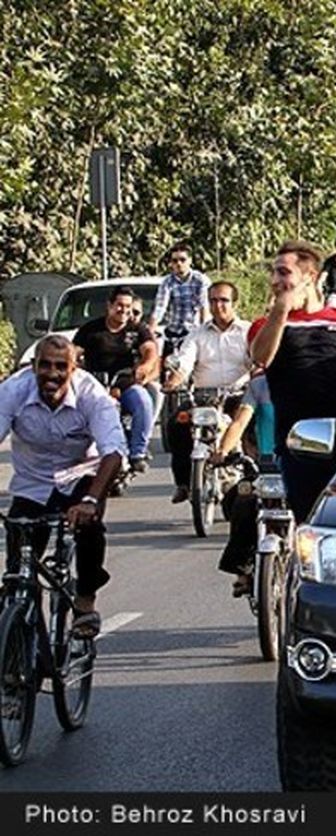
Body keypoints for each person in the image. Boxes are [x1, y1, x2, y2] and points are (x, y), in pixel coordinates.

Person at [249, 241, 336, 520]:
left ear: (309, 277)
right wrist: (281, 310)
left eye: (284, 273)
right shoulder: (266, 326)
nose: (276, 281)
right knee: (308, 520)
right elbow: (261, 358)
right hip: (297, 442)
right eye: (274, 274)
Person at [0, 336, 126, 638]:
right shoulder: (13, 391)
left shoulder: (92, 395)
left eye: (61, 367)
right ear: (33, 367)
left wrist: (91, 501)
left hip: (81, 476)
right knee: (18, 566)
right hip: (32, 483)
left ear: (74, 368)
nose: (52, 374)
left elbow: (113, 453)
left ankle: (85, 602)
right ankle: (18, 636)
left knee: (90, 529)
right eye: (45, 365)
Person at [162, 281, 252, 504]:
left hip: (238, 395)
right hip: (203, 397)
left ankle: (254, 478)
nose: (218, 305)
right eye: (213, 300)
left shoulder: (248, 331)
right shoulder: (197, 334)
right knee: (176, 424)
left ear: (234, 303)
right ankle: (184, 483)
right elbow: (184, 362)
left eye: (223, 300)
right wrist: (174, 379)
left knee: (255, 426)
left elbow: (257, 360)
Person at [71, 285, 158, 471]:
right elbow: (73, 354)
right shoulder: (90, 330)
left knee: (144, 402)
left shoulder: (138, 329)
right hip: (95, 386)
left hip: (125, 384)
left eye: (128, 307)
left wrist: (145, 365)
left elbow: (150, 350)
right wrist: (71, 367)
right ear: (109, 305)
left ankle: (137, 453)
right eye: (119, 305)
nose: (124, 311)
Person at [213, 372, 274, 597]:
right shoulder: (259, 387)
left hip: (305, 467)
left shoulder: (314, 381)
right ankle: (243, 571)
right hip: (268, 468)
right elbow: (239, 423)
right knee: (240, 499)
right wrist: (223, 451)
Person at [147, 242, 211, 357]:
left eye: (182, 260)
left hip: (193, 334)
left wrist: (204, 334)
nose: (179, 264)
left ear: (190, 260)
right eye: (175, 261)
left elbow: (203, 307)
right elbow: (160, 308)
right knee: (165, 367)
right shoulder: (167, 282)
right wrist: (149, 332)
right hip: (172, 333)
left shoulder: (200, 280)